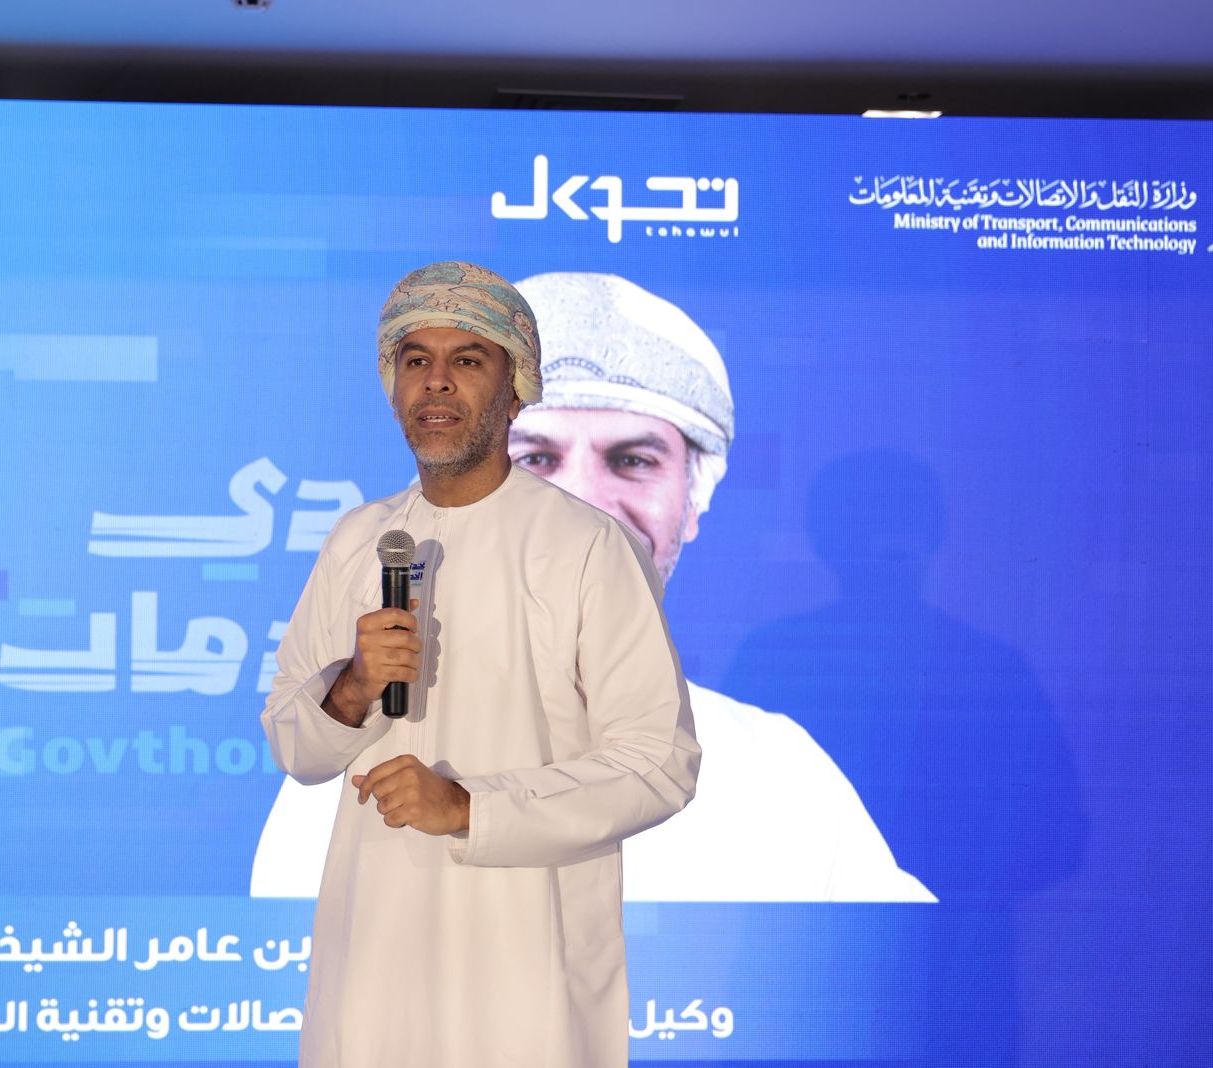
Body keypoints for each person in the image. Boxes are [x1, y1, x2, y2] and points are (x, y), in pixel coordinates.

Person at [255, 271, 933, 903]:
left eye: (632, 460)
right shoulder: (357, 757)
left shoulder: (779, 778)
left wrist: (471, 811)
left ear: (692, 502)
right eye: (536, 458)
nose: (584, 500)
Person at [260, 261, 701, 1066]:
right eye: (415, 360)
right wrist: (353, 689)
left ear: (517, 387)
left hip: (525, 972)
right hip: (375, 965)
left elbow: (658, 762)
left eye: (466, 359)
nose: (436, 382)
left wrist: (470, 807)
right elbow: (295, 745)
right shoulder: (360, 541)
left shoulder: (588, 547)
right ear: (393, 386)